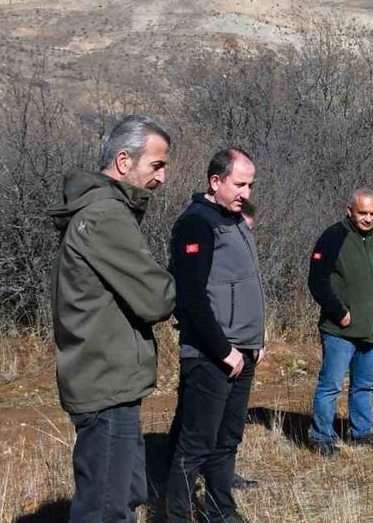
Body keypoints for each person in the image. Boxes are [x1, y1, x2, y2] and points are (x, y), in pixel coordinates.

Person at [49, 115, 177, 523]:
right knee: (105, 509)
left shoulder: (101, 210)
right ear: (124, 161)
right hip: (104, 382)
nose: (163, 177)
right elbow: (156, 298)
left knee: (120, 496)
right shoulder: (105, 215)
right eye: (156, 165)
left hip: (108, 380)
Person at [164, 147, 265, 523]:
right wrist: (223, 350)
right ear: (215, 181)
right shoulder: (196, 222)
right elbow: (190, 297)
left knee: (226, 441)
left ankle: (222, 512)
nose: (246, 193)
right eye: (239, 184)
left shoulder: (235, 219)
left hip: (243, 351)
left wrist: (257, 339)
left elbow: (242, 285)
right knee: (195, 445)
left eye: (250, 185)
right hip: (210, 355)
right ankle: (177, 516)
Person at [307, 188, 373, 456]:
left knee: (364, 385)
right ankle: (321, 436)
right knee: (331, 385)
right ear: (350, 211)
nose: (368, 219)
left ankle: (362, 432)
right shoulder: (332, 237)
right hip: (340, 330)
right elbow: (317, 280)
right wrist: (339, 312)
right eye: (363, 213)